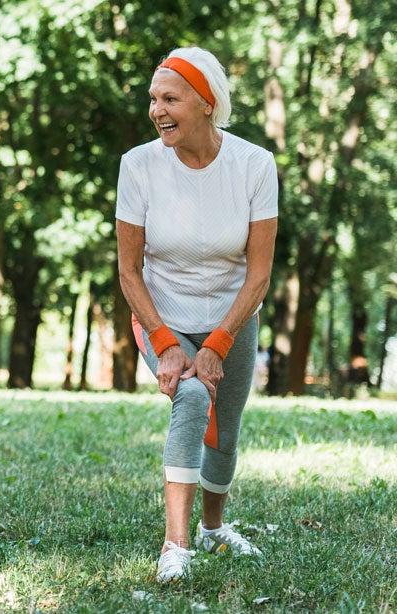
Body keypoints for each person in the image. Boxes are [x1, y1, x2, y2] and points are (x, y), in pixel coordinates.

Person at [117, 46, 278, 584]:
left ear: (207, 103)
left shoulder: (254, 164)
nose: (157, 110)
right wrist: (165, 342)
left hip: (232, 316)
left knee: (224, 434)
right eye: (153, 100)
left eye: (170, 98)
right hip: (159, 312)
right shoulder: (138, 165)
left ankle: (212, 529)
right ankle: (175, 545)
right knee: (189, 397)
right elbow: (129, 271)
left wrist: (219, 344)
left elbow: (258, 275)